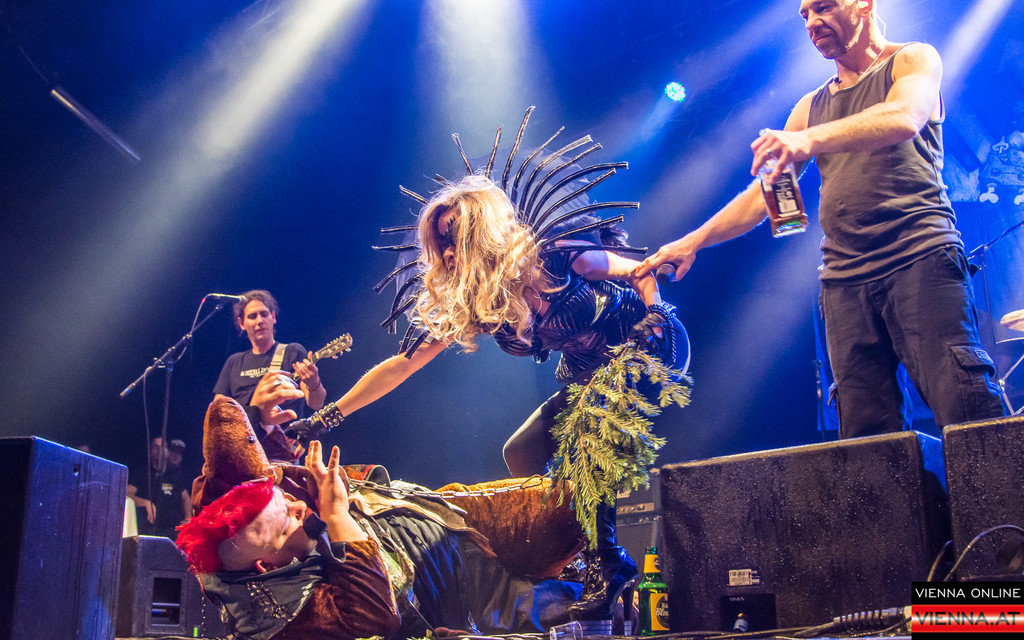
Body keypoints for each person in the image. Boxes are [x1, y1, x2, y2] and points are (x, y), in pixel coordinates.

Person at [299, 145, 690, 620]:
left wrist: (655, 314)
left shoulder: (552, 257)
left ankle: (608, 564)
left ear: (480, 229)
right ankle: (571, 552)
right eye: (441, 241)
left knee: (590, 432)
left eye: (454, 234)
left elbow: (639, 271)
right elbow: (401, 366)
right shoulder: (480, 302)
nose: (447, 249)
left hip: (645, 346)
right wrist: (327, 415)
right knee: (522, 452)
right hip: (588, 375)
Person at [637, 0, 1005, 438]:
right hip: (844, 281)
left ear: (863, 4)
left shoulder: (912, 59)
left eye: (823, 7)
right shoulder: (809, 108)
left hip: (920, 257)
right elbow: (762, 198)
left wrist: (808, 139)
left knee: (965, 406)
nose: (812, 22)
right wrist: (693, 241)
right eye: (805, 15)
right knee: (866, 435)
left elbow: (904, 116)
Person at [176, 396, 585, 639]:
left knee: (574, 498)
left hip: (448, 519)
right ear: (267, 566)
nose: (299, 509)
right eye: (288, 524)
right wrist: (337, 514)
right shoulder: (280, 615)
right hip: (474, 589)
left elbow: (282, 480)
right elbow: (374, 614)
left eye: (285, 502)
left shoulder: (262, 528)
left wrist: (309, 489)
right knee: (583, 601)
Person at [214, 289, 326, 462]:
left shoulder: (292, 352)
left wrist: (314, 382)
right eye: (252, 316)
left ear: (273, 317)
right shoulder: (234, 361)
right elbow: (217, 411)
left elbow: (316, 403)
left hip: (281, 452)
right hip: (242, 448)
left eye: (264, 314)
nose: (259, 320)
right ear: (241, 323)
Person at [126, 436, 192, 539]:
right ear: (150, 451)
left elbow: (186, 498)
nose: (160, 450)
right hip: (149, 531)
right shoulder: (142, 472)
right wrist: (145, 502)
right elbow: (126, 494)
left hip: (172, 532)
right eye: (156, 447)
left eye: (163, 447)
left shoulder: (174, 475)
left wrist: (188, 518)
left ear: (168, 452)